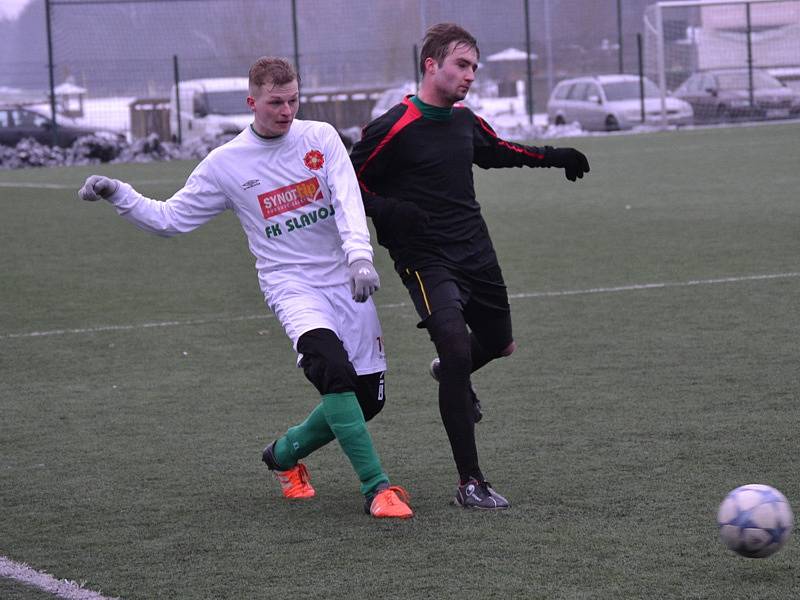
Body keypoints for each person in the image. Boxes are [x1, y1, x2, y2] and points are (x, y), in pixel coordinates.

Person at [78, 57, 412, 519]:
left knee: (367, 400)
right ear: (252, 101)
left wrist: (358, 255)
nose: (287, 110)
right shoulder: (226, 164)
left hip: (345, 278)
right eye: (276, 102)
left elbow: (347, 198)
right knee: (330, 368)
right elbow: (170, 219)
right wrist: (120, 193)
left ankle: (283, 455)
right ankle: (378, 489)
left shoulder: (320, 138)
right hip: (291, 286)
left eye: (294, 99)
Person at [350, 23, 590, 510]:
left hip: (475, 250)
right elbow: (349, 185)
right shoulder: (392, 126)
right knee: (459, 350)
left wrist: (554, 155)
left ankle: (449, 370)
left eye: (475, 68)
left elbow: (497, 151)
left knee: (501, 344)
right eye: (463, 65)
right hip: (424, 257)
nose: (470, 75)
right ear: (431, 64)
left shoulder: (464, 120)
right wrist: (392, 211)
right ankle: (470, 483)